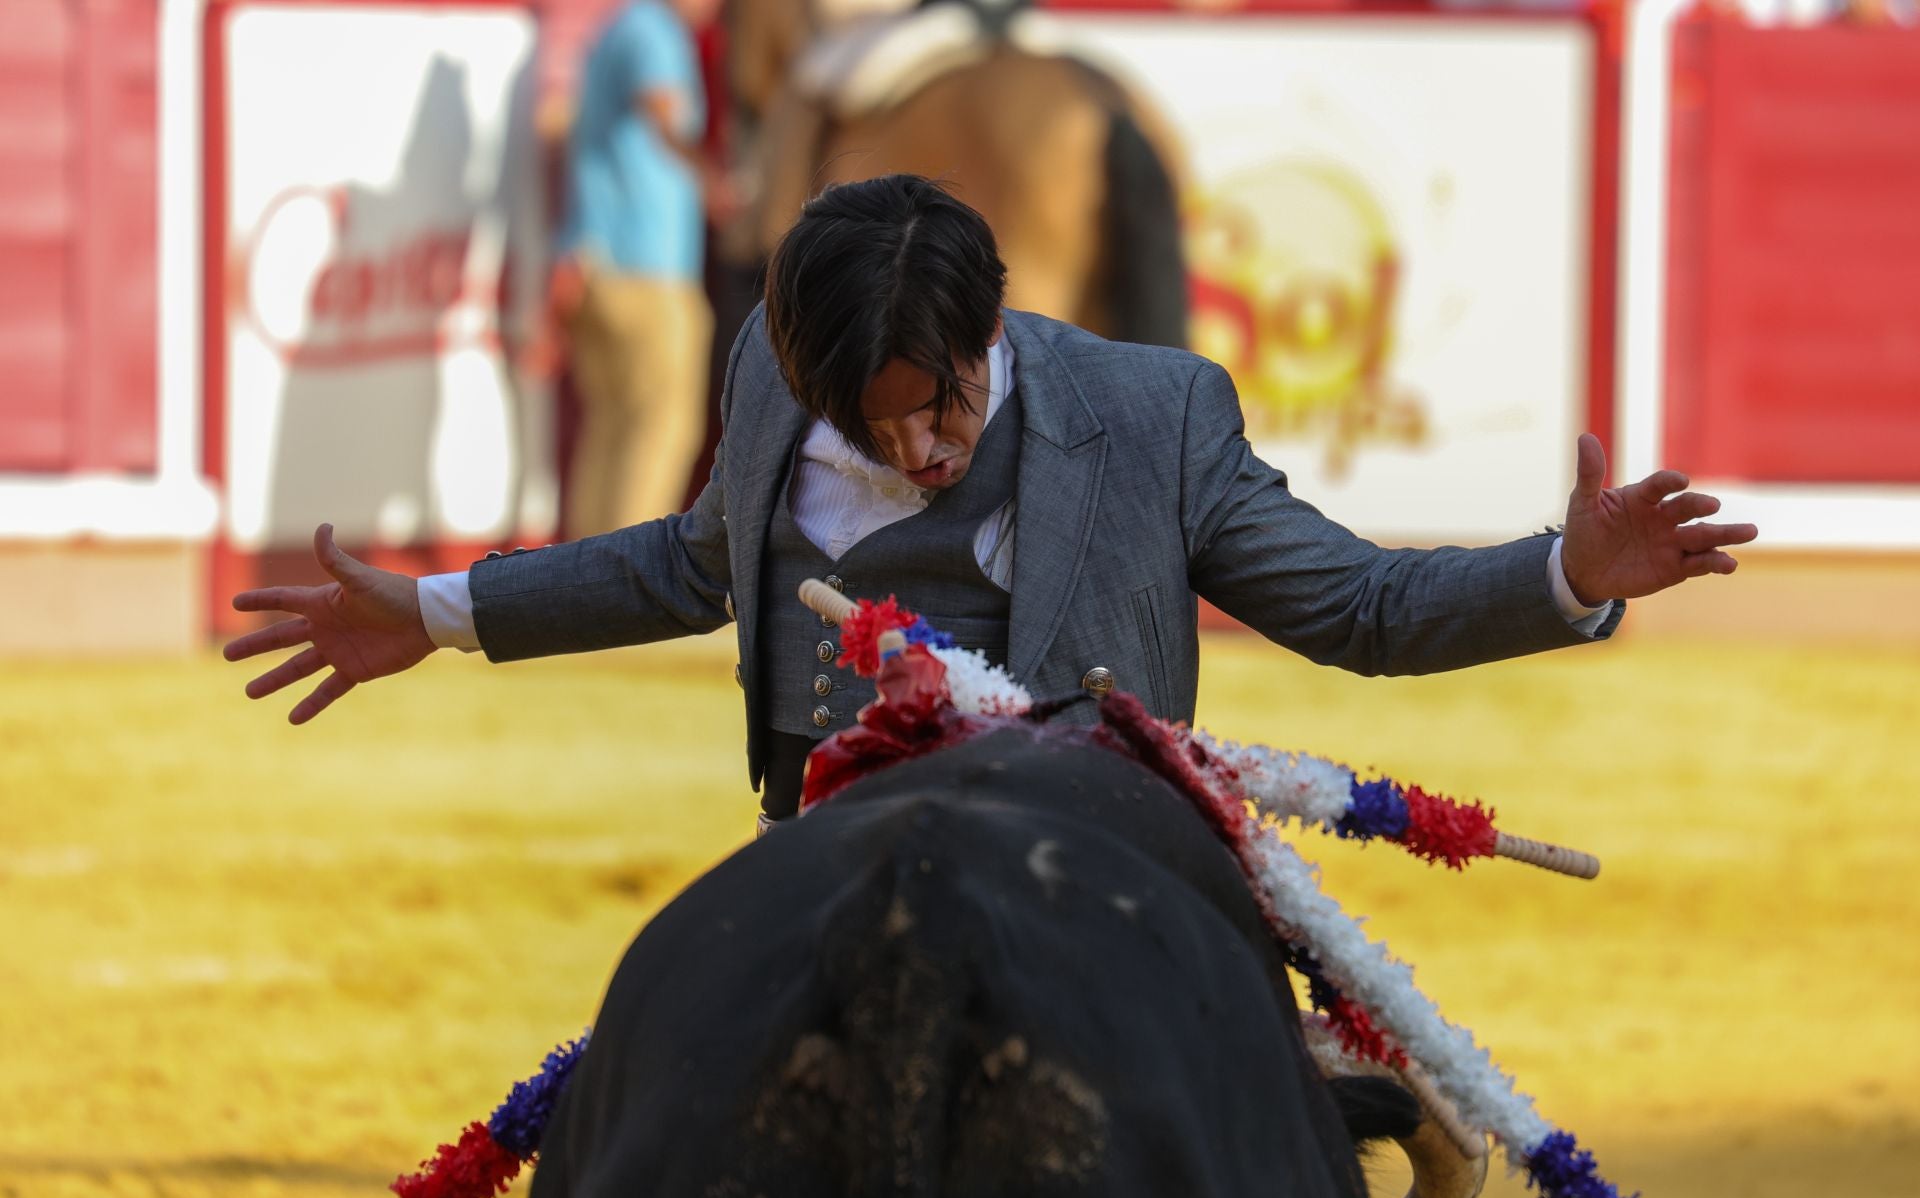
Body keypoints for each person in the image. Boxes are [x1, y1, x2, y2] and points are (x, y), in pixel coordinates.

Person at [225, 176, 1758, 829]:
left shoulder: (1155, 417)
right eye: (874, 424)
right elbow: (694, 567)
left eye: (947, 400)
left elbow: (1357, 610)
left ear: (995, 328)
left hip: (1096, 844)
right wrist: (436, 614)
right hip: (826, 837)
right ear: (794, 370)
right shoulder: (770, 380)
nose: (926, 448)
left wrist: (1562, 571)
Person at [544, 0, 725, 539]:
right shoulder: (656, 31)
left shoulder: (620, 26)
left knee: (610, 432)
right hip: (648, 269)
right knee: (660, 429)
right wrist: (714, 181)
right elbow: (664, 112)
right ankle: (623, 602)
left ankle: (580, 591)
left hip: (596, 264)